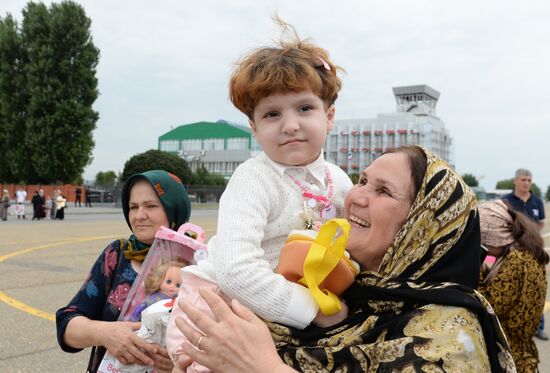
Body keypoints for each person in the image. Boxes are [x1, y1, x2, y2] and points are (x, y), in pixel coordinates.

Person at [173, 146, 516, 373]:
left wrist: (262, 366)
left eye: (383, 191)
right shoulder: (330, 293)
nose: (356, 197)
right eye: (362, 181)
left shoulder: (451, 336)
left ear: (422, 227)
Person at [166, 19, 353, 370]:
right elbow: (236, 269)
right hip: (220, 307)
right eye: (272, 114)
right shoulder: (254, 178)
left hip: (284, 312)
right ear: (254, 128)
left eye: (304, 108)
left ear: (329, 116)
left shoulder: (340, 182)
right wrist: (314, 310)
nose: (290, 124)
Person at [56, 170, 191, 373]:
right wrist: (105, 333)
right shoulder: (117, 254)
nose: (139, 216)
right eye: (133, 207)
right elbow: (67, 326)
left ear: (174, 210)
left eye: (151, 206)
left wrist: (182, 363)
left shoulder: (195, 267)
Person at [477, 199, 548, 372]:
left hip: (512, 357)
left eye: (483, 244)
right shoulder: (510, 251)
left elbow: (488, 306)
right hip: (511, 351)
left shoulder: (519, 261)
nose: (482, 249)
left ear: (495, 237)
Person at [501, 168, 547, 341]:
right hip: (510, 249)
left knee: (536, 288)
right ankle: (506, 324)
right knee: (509, 287)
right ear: (515, 181)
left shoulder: (537, 202)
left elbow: (541, 223)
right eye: (523, 180)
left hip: (534, 250)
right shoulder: (506, 200)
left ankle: (538, 326)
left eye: (529, 180)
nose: (526, 183)